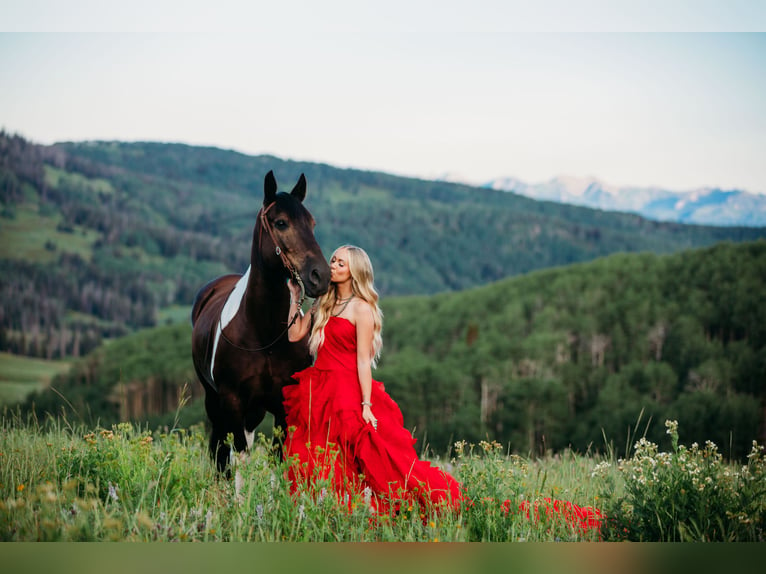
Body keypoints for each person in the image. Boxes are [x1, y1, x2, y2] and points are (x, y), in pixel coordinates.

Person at [282, 245, 463, 514]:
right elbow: (294, 334)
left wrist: (366, 404)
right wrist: (295, 298)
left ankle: (360, 509)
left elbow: (363, 361)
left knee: (363, 457)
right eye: (333, 260)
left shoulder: (362, 309)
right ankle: (320, 510)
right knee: (310, 453)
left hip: (346, 391)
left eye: (340, 263)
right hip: (318, 388)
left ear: (354, 271)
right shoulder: (324, 303)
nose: (332, 266)